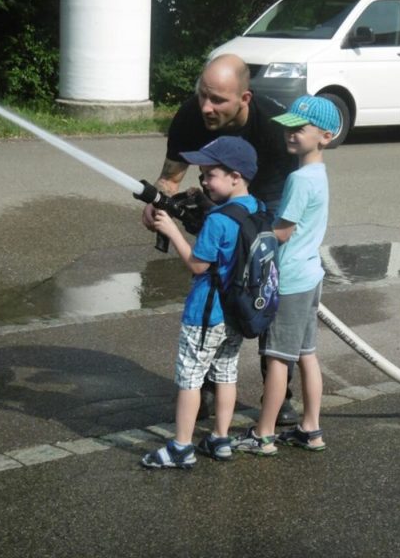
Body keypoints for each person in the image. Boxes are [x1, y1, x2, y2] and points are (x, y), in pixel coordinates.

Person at [142, 53, 299, 425]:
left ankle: (280, 394)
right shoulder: (189, 115)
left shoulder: (278, 122)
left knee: (262, 287)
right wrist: (158, 201)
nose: (206, 107)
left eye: (217, 100)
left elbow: (290, 199)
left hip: (270, 196)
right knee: (218, 284)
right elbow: (171, 176)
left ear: (245, 99)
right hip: (220, 191)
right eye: (202, 95)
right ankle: (211, 386)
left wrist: (252, 242)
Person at [141, 136, 260, 469]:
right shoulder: (257, 208)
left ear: (235, 176)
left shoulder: (218, 221)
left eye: (209, 174)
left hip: (205, 314)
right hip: (237, 312)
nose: (203, 181)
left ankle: (181, 446)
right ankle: (220, 438)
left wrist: (173, 231)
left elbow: (197, 265)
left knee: (190, 379)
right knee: (225, 374)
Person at [231, 95, 339, 456]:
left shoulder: (299, 179)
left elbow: (282, 231)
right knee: (307, 353)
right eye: (288, 127)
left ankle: (263, 434)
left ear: (325, 136)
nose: (290, 134)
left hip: (290, 279)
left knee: (277, 357)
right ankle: (311, 428)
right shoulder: (319, 174)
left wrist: (248, 231)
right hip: (311, 275)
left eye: (300, 129)